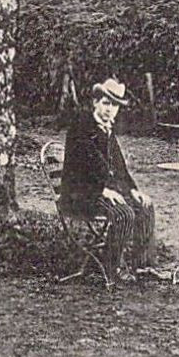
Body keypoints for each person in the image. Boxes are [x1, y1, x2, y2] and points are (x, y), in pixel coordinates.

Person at [58, 77, 158, 281]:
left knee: (146, 207)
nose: (110, 110)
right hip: (81, 194)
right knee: (123, 214)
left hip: (102, 192)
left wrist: (132, 190)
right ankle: (112, 268)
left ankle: (141, 266)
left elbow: (119, 168)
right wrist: (102, 190)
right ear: (95, 102)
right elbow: (79, 171)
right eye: (106, 103)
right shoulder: (81, 128)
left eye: (115, 106)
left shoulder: (107, 129)